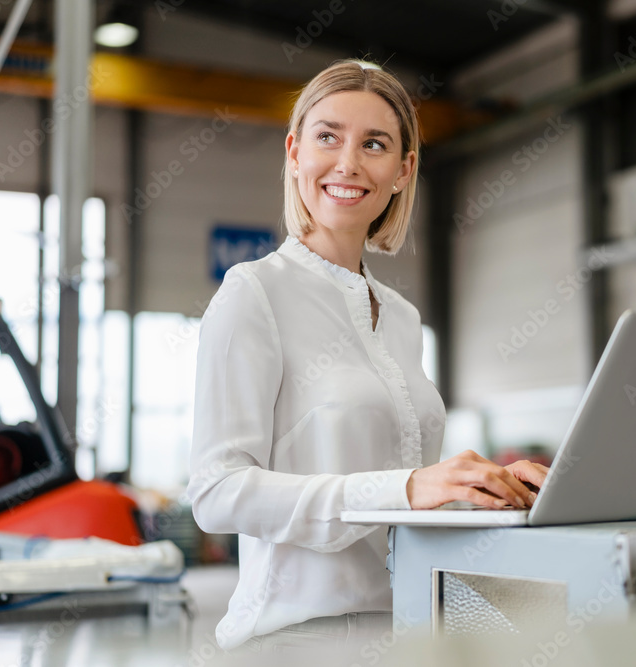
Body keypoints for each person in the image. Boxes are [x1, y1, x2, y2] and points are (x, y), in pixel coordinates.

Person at [186, 59, 549, 657]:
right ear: (295, 151)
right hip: (295, 639)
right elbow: (217, 493)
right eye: (328, 137)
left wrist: (483, 491)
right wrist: (406, 488)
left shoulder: (402, 318)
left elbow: (405, 505)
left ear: (403, 170)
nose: (348, 163)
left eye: (374, 144)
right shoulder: (254, 293)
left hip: (408, 627)